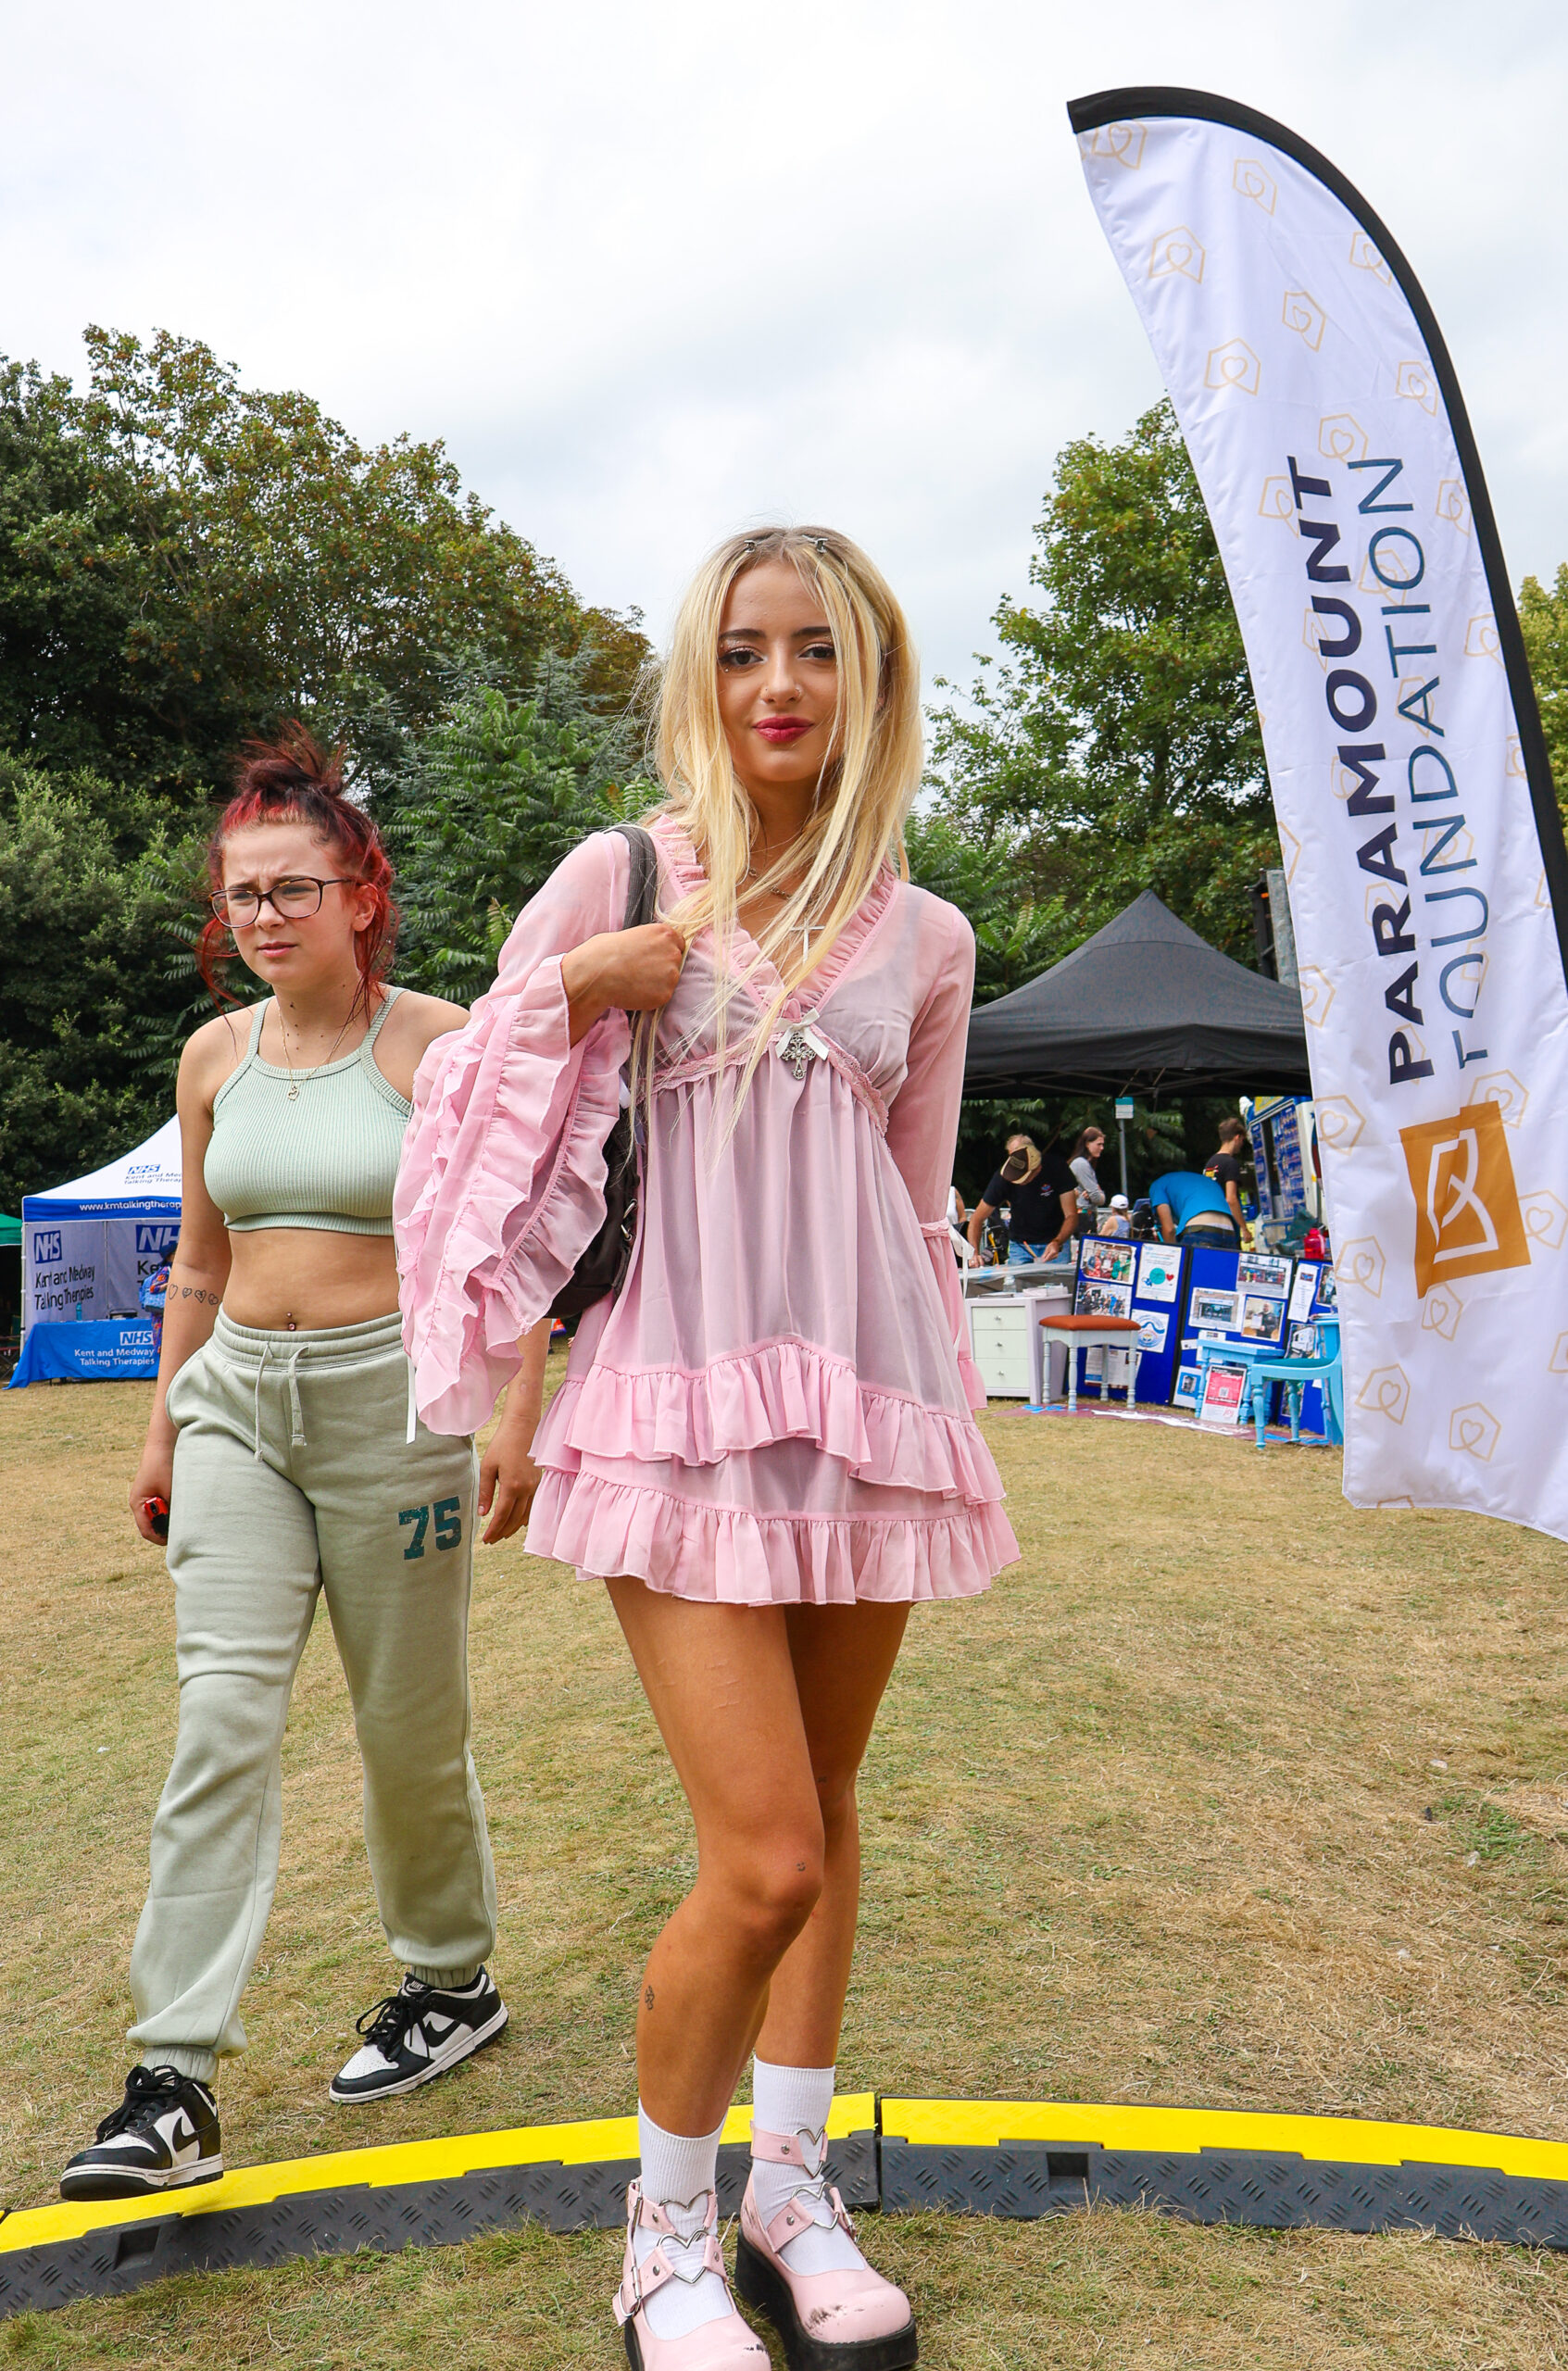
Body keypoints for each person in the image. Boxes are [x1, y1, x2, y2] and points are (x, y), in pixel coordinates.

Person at [396, 526, 1019, 2368]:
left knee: (823, 1829)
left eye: (815, 651)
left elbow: (913, 1209)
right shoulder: (625, 873)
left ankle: (789, 2184)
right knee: (755, 1851)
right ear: (700, 671)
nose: (776, 685)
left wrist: (943, 1433)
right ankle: (661, 2239)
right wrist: (593, 984)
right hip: (670, 1406)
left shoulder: (932, 933)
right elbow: (471, 1112)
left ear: (869, 680)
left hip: (869, 1405)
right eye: (743, 648)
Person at [62, 734, 507, 2204]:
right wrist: (161, 1425)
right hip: (240, 1409)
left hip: (395, 1417)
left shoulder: (440, 1046)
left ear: (363, 894)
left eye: (293, 888)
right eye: (241, 895)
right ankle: (170, 2078)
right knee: (219, 1726)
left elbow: (517, 1241)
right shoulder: (214, 1058)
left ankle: (449, 1981)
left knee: (405, 1727)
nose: (262, 917)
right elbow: (198, 1263)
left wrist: (514, 1409)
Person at [966, 1133, 1078, 1267]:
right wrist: (974, 1253)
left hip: (1056, 1244)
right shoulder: (1004, 1176)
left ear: (1036, 1169)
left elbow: (1071, 1215)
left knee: (1059, 1286)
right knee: (1016, 1286)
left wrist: (1057, 1241)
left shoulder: (1057, 1168)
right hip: (1020, 1246)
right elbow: (976, 1219)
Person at [1148, 1162, 1241, 1249]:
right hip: (1230, 1230)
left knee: (1190, 1266)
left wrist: (1171, 1256)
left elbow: (1169, 1229)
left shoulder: (1158, 1184)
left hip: (1200, 1229)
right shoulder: (1203, 1180)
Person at [1203, 1116, 1249, 1235]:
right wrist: (1244, 1228)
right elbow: (1231, 1199)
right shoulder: (1230, 1163)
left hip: (1209, 1221)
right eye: (1242, 1140)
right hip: (1227, 1225)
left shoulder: (1210, 1163)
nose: (1241, 1144)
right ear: (1237, 1137)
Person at [1068, 1125, 1107, 1228]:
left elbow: (1095, 1196)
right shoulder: (1081, 1164)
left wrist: (1097, 1194)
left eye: (1102, 1144)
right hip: (1083, 1217)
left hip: (1084, 1216)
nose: (1102, 1148)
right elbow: (1097, 1198)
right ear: (1087, 1144)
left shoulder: (1084, 1164)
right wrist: (1099, 1193)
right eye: (1099, 1144)